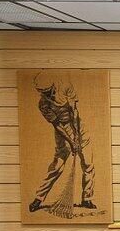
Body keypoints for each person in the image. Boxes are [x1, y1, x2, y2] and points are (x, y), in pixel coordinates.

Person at [28, 73, 96, 213]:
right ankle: (38, 198)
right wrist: (71, 142)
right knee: (57, 166)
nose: (47, 95)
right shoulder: (43, 104)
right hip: (62, 131)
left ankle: (87, 199)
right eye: (43, 93)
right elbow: (57, 125)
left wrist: (77, 136)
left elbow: (74, 112)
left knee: (88, 164)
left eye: (48, 91)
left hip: (78, 126)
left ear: (53, 86)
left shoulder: (65, 87)